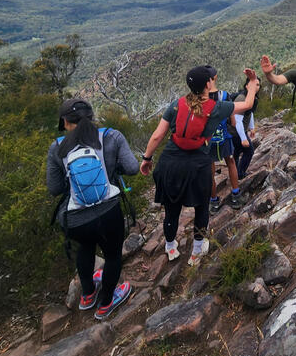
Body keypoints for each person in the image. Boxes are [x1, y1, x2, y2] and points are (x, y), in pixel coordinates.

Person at [140, 66, 259, 266]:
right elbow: (247, 104)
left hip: (170, 162)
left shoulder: (176, 105)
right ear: (207, 84)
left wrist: (147, 159)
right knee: (201, 207)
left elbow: (157, 136)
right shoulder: (217, 107)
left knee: (171, 209)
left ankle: (170, 247)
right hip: (197, 164)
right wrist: (253, 84)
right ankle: (196, 252)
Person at [46, 99, 138, 320]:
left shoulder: (57, 147)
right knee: (113, 256)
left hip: (76, 219)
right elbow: (133, 168)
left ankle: (87, 295)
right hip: (108, 212)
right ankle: (106, 303)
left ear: (66, 122)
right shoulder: (111, 136)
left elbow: (55, 188)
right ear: (92, 117)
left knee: (85, 249)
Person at [203, 66, 241, 213]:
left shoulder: (200, 99)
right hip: (224, 138)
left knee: (210, 170)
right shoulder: (225, 96)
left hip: (207, 141)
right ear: (215, 77)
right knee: (231, 163)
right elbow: (233, 121)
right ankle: (236, 195)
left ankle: (214, 201)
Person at [230, 76, 260, 180]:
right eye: (253, 85)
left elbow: (249, 113)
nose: (256, 87)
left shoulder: (252, 98)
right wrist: (243, 138)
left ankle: (235, 174)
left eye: (258, 85)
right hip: (234, 131)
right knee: (249, 151)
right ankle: (240, 174)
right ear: (247, 86)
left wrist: (251, 127)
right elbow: (237, 121)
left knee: (236, 152)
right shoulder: (242, 98)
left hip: (240, 130)